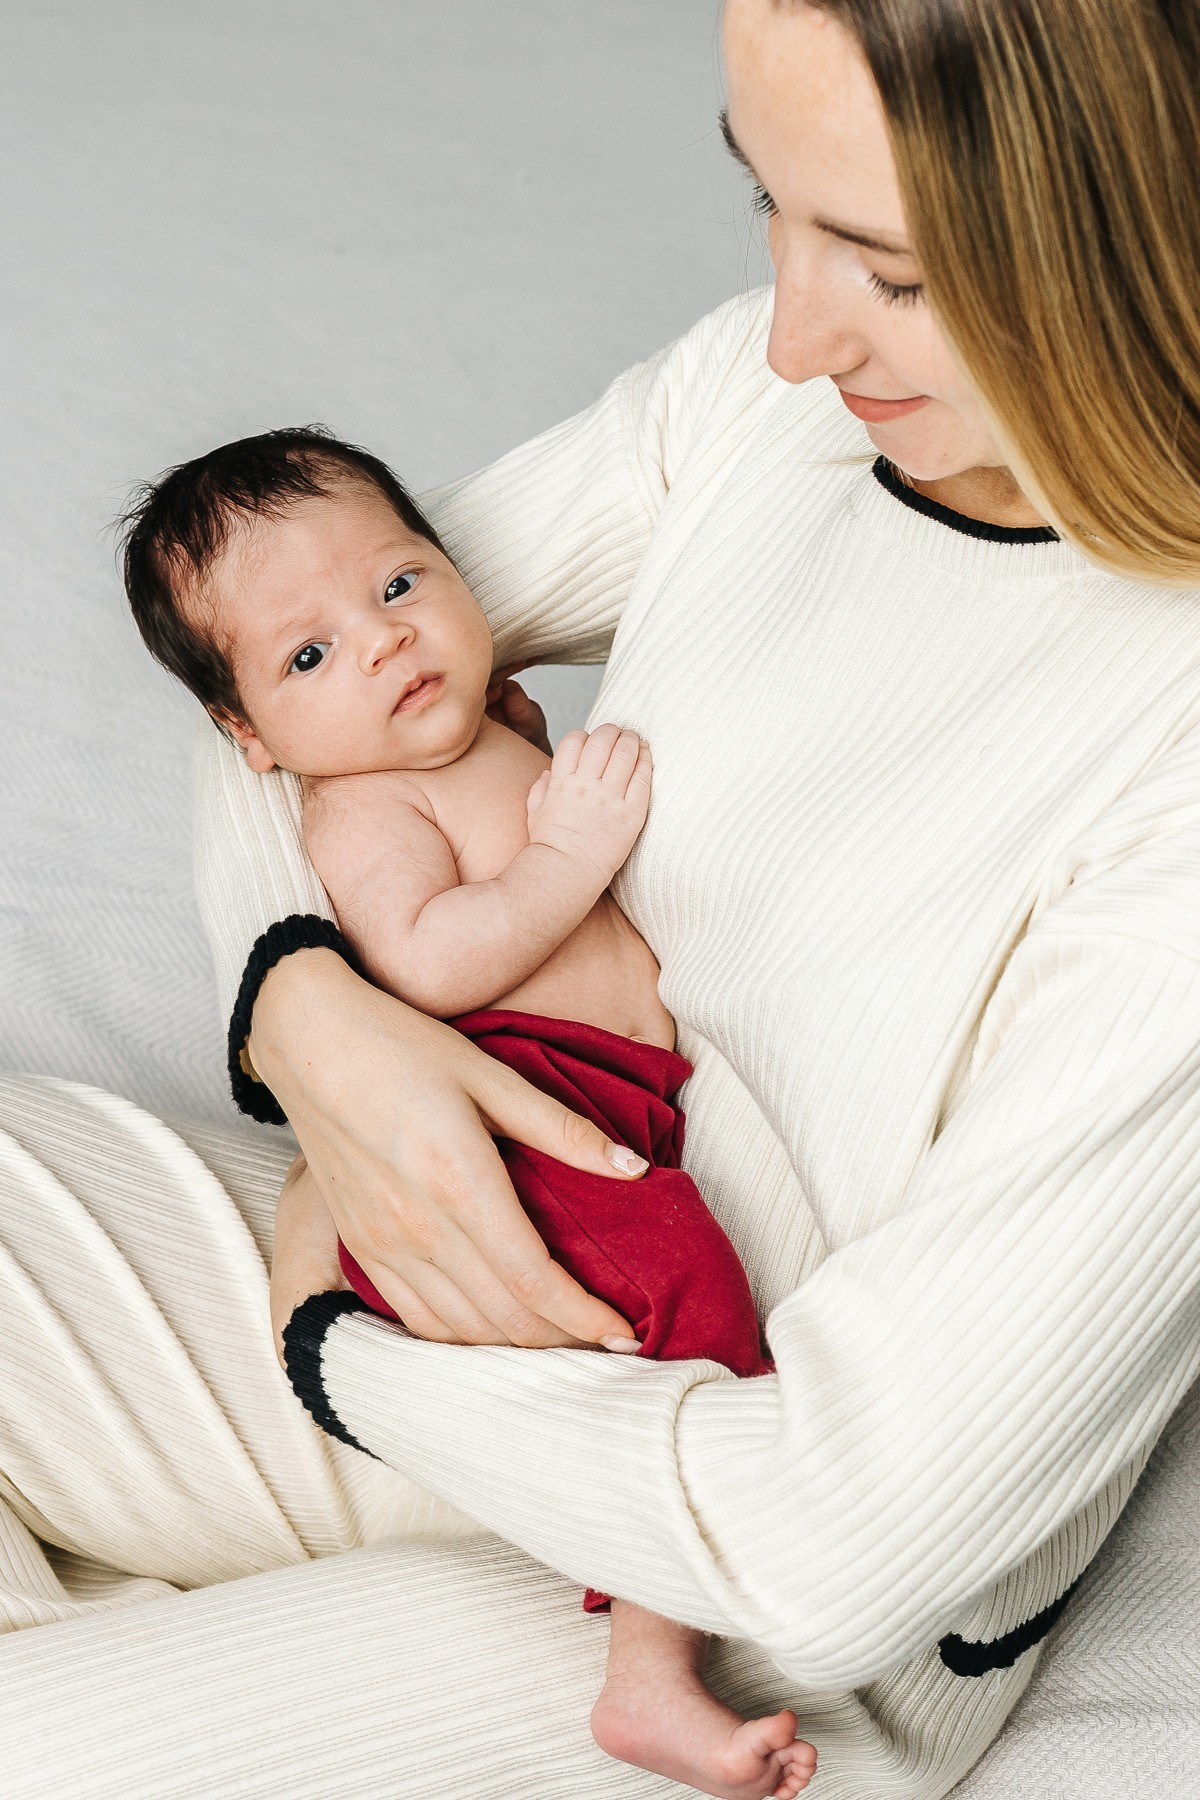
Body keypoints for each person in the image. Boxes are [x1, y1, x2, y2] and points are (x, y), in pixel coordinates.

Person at [1, 0, 1199, 1793]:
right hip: (464, 1244)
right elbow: (282, 670)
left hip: (729, 1577)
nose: (793, 338)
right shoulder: (764, 406)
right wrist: (317, 1023)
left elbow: (852, 1536)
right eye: (767, 212)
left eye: (885, 268)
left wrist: (341, 1343)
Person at [119, 424, 815, 1800]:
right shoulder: (359, 810)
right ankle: (651, 1675)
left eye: (397, 584)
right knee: (692, 1306)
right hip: (520, 1117)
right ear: (250, 738)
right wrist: (564, 850)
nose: (380, 644)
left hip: (599, 1096)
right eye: (307, 657)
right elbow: (432, 958)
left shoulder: (471, 730)